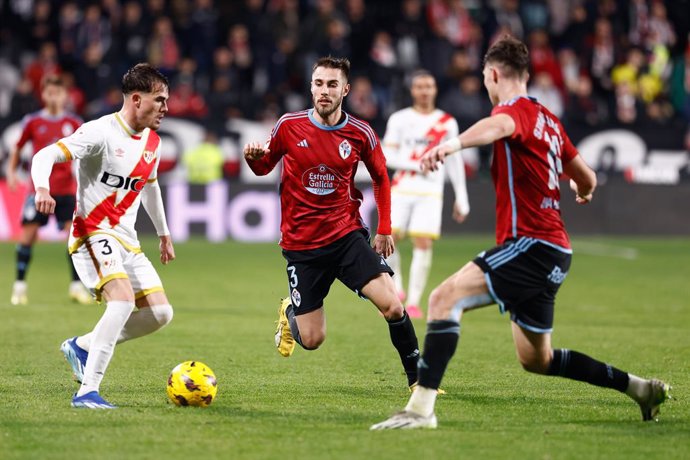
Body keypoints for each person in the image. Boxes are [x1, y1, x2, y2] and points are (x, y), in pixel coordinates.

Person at [371, 36, 670, 430]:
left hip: (530, 243)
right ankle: (640, 389)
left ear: (494, 74)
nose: (486, 85)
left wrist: (452, 145)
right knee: (537, 359)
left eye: (485, 78)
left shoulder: (516, 111)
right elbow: (588, 176)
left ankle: (421, 410)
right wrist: (584, 190)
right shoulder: (550, 120)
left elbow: (499, 124)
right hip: (556, 250)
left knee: (443, 299)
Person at [243, 56, 421, 390]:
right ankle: (291, 311)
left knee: (393, 306)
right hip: (302, 247)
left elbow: (381, 178)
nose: (324, 91)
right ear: (311, 87)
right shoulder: (288, 126)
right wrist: (252, 160)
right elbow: (265, 167)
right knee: (312, 340)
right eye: (319, 84)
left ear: (346, 90)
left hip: (346, 237)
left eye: (332, 85)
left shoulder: (360, 132)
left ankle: (419, 382)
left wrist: (384, 228)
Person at [31, 63, 175, 409]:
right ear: (137, 100)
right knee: (123, 302)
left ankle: (82, 345)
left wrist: (164, 233)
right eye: (160, 100)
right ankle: (86, 392)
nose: (166, 108)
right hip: (92, 234)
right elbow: (45, 154)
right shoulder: (100, 132)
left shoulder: (153, 141)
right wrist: (41, 188)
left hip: (128, 240)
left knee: (160, 314)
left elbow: (150, 187)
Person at [382, 70, 470, 319]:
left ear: (435, 90)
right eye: (419, 86)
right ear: (412, 90)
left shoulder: (447, 122)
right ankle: (396, 289)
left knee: (423, 242)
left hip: (430, 191)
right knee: (389, 239)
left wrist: (461, 197)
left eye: (428, 86)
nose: (424, 91)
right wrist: (417, 164)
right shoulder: (399, 119)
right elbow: (388, 155)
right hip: (402, 186)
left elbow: (454, 161)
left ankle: (413, 302)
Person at [6, 75, 92, 306]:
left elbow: (87, 152)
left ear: (65, 95)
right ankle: (19, 288)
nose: (54, 97)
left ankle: (76, 287)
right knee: (27, 236)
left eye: (58, 93)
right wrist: (12, 173)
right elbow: (17, 148)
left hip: (67, 189)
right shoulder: (32, 121)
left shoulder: (74, 123)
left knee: (73, 237)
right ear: (43, 95)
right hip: (39, 189)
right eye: (50, 93)